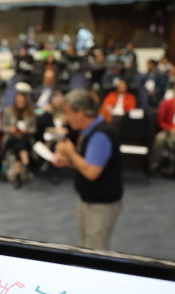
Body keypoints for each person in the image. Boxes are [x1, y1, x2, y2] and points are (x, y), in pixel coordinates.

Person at [53, 89, 123, 251]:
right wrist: (68, 163)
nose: (66, 118)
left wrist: (70, 153)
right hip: (88, 200)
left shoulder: (101, 135)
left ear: (81, 112)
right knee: (86, 247)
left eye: (68, 113)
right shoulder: (89, 131)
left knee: (96, 253)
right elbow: (88, 164)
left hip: (101, 205)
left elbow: (92, 172)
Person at [2, 92, 37, 189]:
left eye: (22, 101)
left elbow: (34, 129)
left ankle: (17, 176)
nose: (20, 103)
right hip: (11, 138)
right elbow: (3, 127)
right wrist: (11, 129)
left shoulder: (30, 112)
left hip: (25, 138)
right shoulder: (9, 111)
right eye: (18, 101)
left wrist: (27, 130)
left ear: (25, 101)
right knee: (18, 141)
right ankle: (26, 163)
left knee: (20, 142)